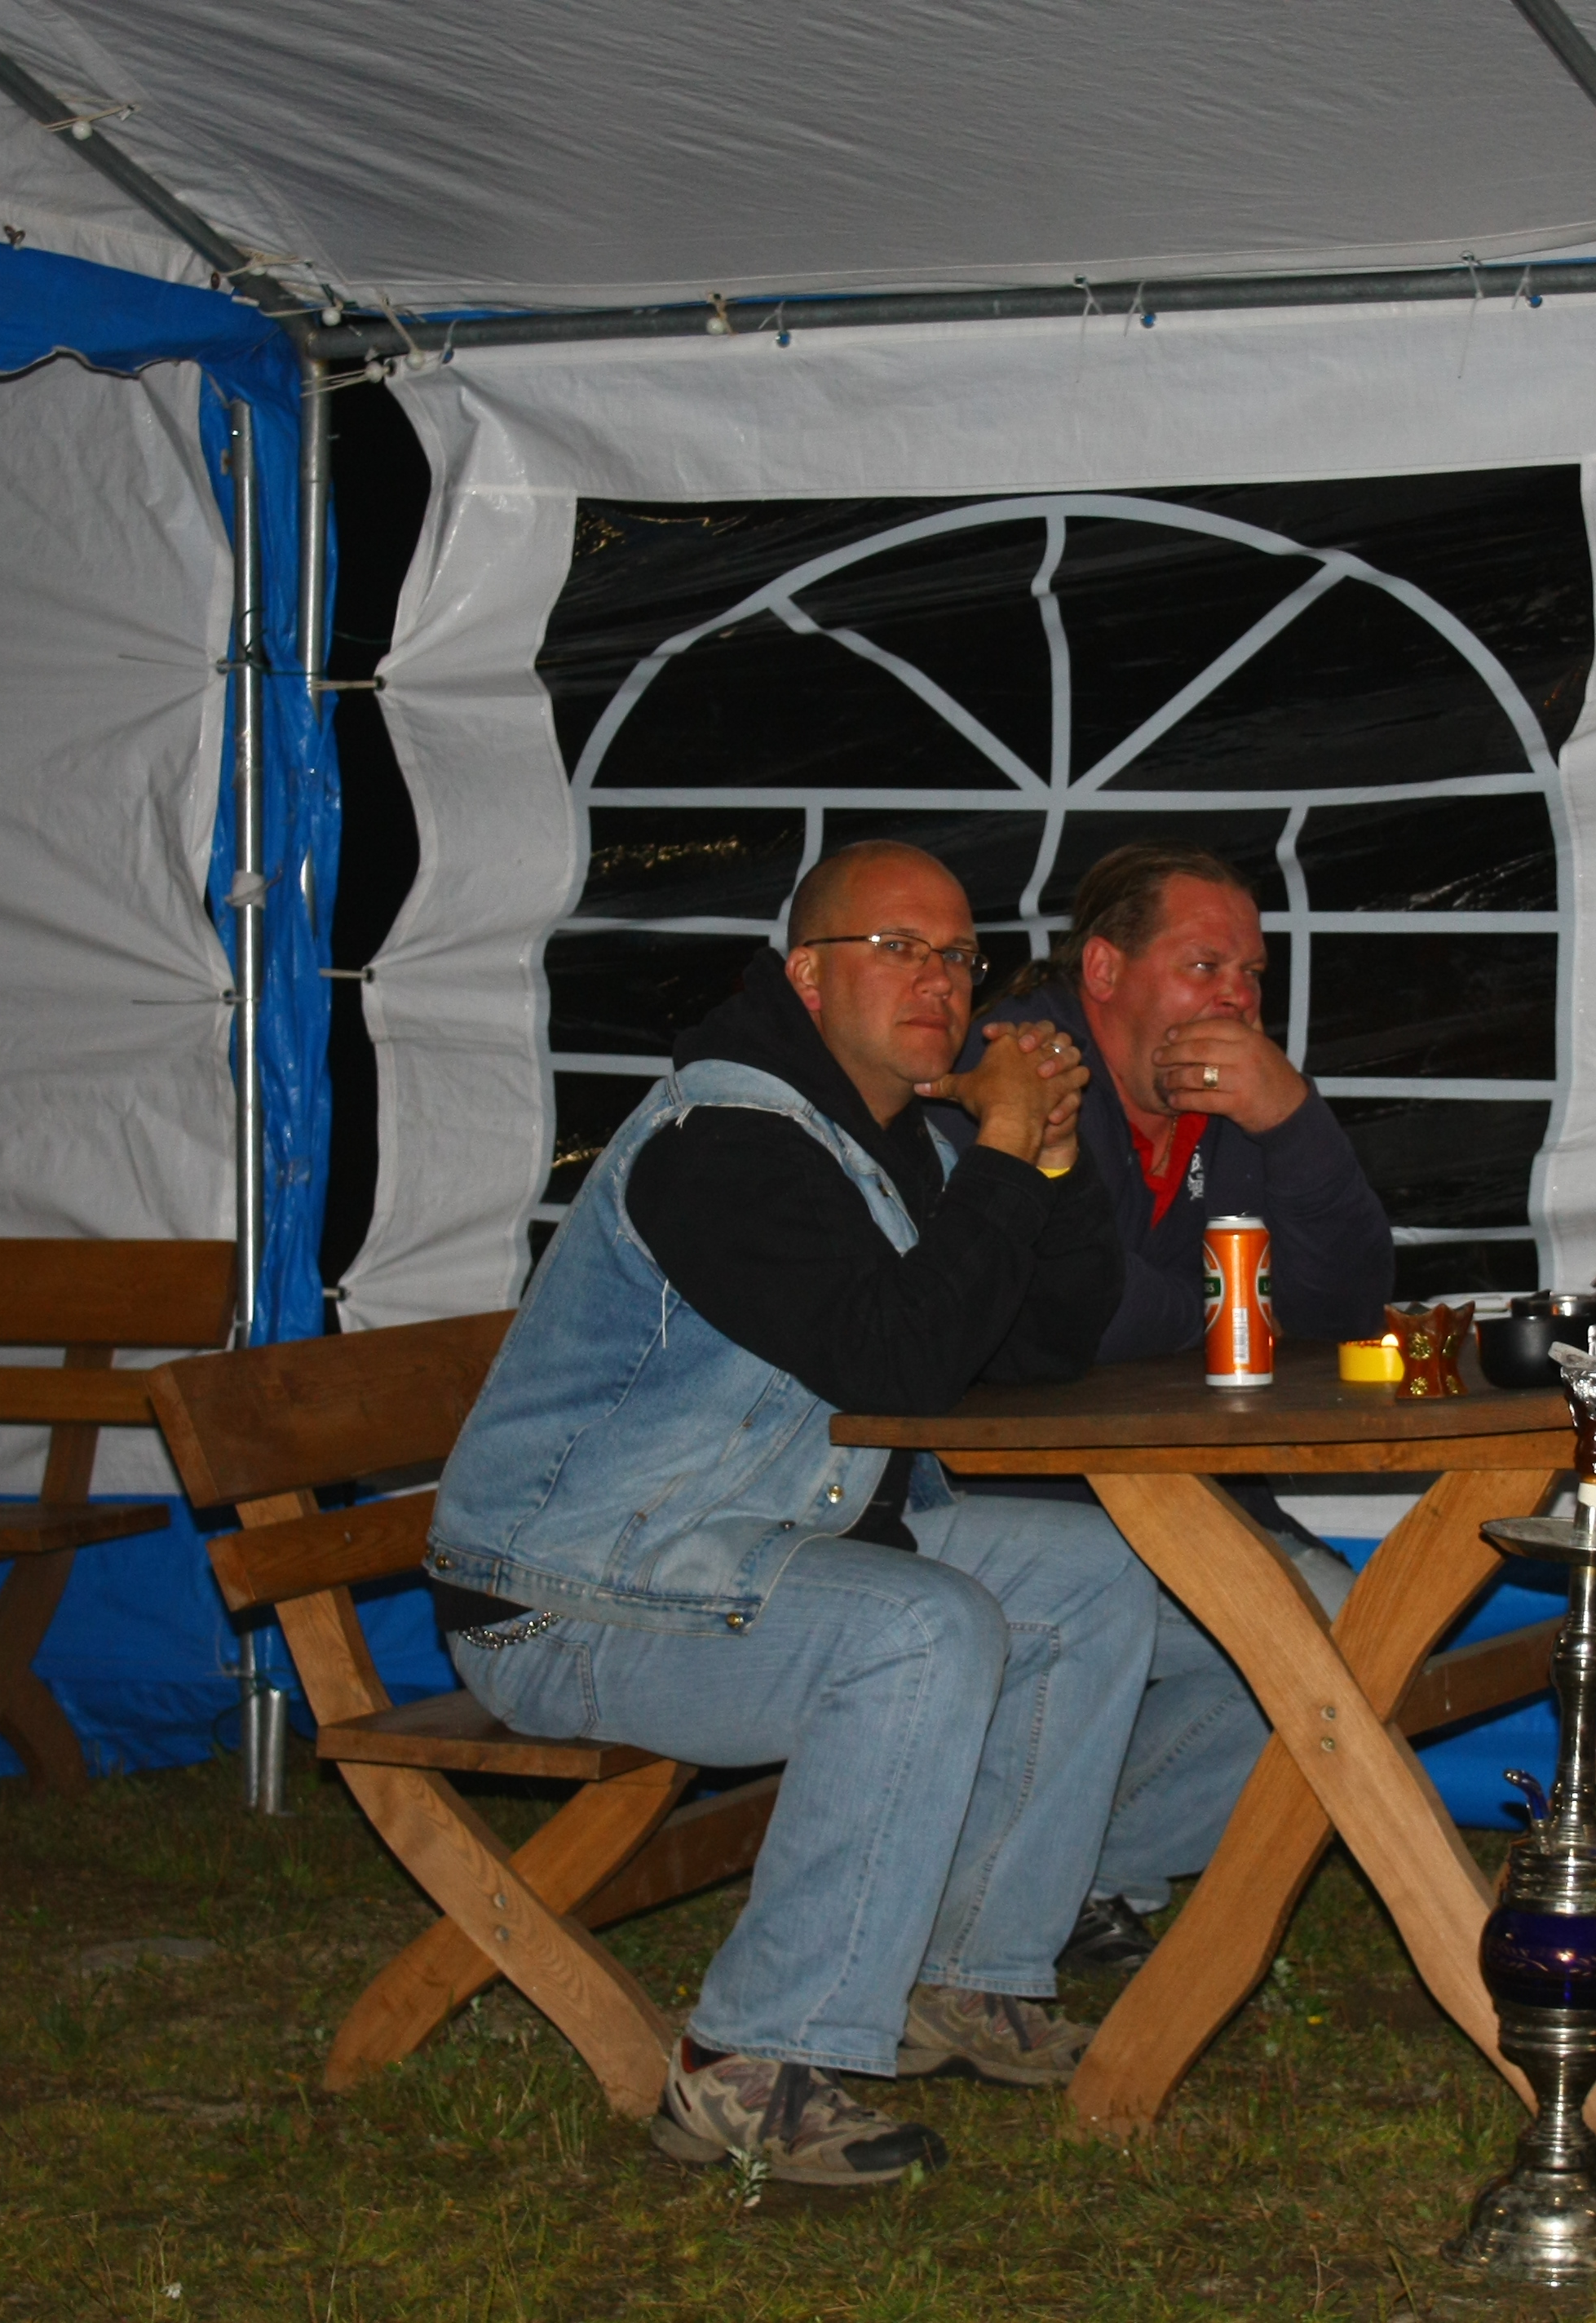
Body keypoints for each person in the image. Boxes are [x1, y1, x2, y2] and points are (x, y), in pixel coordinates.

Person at [424, 841, 1158, 2192]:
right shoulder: (724, 1141)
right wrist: (1000, 1148)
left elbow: (1034, 1350)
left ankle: (968, 1974)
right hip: (565, 1594)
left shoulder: (885, 1138)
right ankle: (747, 2062)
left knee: (1092, 1572)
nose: (940, 981)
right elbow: (895, 1366)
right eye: (898, 948)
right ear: (805, 975)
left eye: (958, 955)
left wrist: (1048, 1167)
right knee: (920, 1630)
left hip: (737, 1545)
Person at [960, 844, 1396, 1969]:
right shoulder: (1016, 1071)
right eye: (1206, 966)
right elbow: (1077, 1313)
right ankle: (1016, 1896)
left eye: (1253, 975)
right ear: (1105, 970)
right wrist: (1228, 1315)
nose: (1237, 1000)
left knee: (1354, 1640)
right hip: (1004, 1501)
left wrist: (1295, 1119)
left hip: (1172, 1489)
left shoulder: (1231, 1103)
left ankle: (1081, 1874)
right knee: (1310, 1639)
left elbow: (1342, 1307)